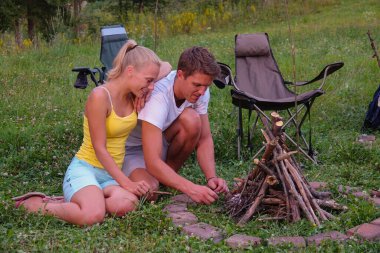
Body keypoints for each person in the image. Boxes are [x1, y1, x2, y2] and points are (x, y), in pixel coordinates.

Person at [13, 40, 169, 226]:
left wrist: (134, 51)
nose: (152, 86)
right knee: (92, 216)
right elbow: (99, 149)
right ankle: (33, 205)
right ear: (130, 71)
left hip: (110, 175)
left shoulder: (133, 95)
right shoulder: (100, 96)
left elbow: (166, 66)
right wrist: (127, 183)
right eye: (149, 81)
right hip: (86, 168)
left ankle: (84, 200)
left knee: (128, 204)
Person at [123, 46, 229, 205]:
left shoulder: (200, 90)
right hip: (132, 150)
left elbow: (205, 138)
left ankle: (166, 178)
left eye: (206, 86)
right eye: (197, 85)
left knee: (192, 120)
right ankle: (144, 178)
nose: (202, 91)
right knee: (150, 192)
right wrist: (191, 189)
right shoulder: (158, 97)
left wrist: (211, 177)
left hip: (158, 140)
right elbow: (152, 161)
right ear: (180, 75)